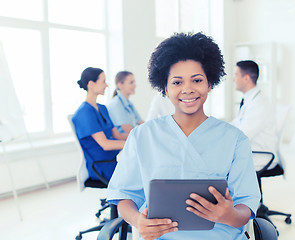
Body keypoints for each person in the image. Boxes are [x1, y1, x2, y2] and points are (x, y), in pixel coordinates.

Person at [107, 32, 260, 240]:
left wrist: (230, 215)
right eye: (177, 82)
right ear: (165, 88)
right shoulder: (142, 136)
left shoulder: (235, 140)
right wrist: (137, 221)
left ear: (209, 84)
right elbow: (124, 195)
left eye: (197, 80)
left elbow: (246, 206)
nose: (187, 89)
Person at [72, 67, 127, 181]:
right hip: (102, 166)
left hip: (114, 159)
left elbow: (117, 135)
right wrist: (132, 144)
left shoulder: (102, 108)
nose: (106, 85)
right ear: (91, 84)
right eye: (103, 81)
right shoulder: (84, 113)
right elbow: (105, 144)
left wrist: (138, 137)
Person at [230, 60, 278, 171]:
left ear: (246, 78)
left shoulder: (258, 103)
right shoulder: (250, 99)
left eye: (236, 75)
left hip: (260, 155)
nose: (234, 79)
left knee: (219, 163)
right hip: (252, 150)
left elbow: (242, 135)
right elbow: (237, 124)